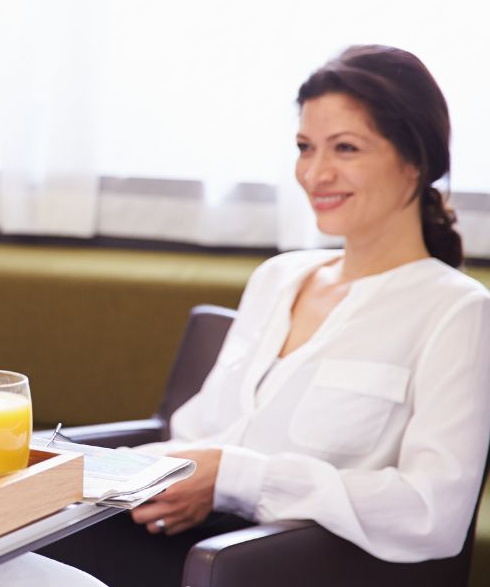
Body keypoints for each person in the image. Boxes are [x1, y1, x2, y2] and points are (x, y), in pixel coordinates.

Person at [40, 44, 490, 585]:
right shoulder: (278, 278)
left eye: (345, 148)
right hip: (169, 541)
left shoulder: (458, 312)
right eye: (305, 147)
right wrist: (73, 467)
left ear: (417, 161)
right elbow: (200, 433)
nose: (315, 173)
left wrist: (236, 476)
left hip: (275, 568)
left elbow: (431, 513)